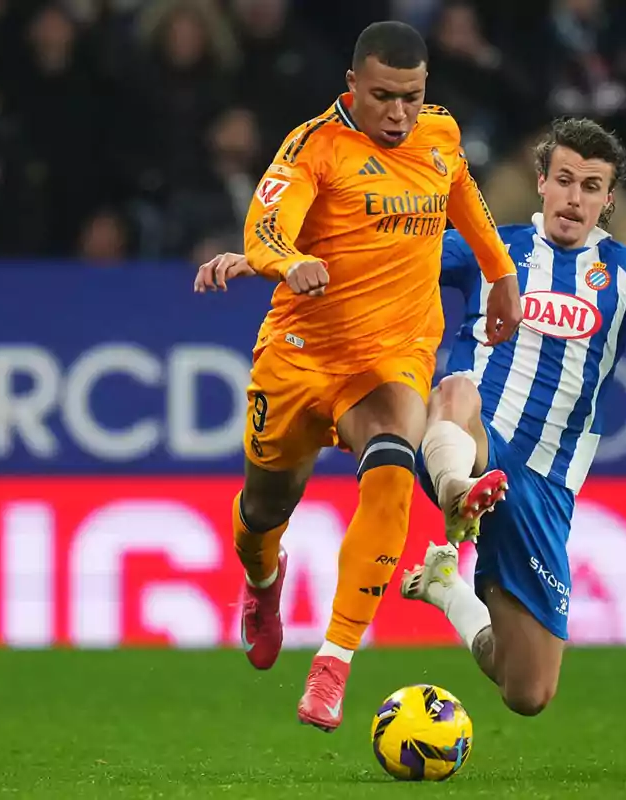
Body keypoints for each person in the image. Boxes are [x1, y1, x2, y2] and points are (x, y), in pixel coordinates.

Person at [197, 117, 626, 719]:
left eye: (590, 186)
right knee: (455, 388)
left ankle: (444, 588)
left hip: (543, 488)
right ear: (541, 182)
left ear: (608, 200)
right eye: (563, 180)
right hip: (466, 440)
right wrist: (272, 260)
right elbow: (372, 260)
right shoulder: (492, 249)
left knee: (526, 690)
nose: (573, 197)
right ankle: (457, 493)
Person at [194, 21, 522, 733]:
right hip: (300, 359)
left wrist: (500, 273)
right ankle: (262, 582)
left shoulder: (439, 134)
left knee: (391, 469)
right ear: (352, 87)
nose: (399, 114)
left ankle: (334, 663)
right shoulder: (315, 146)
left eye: (411, 96)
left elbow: (461, 190)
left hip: (390, 358)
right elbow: (264, 228)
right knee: (262, 514)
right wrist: (288, 264)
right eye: (382, 97)